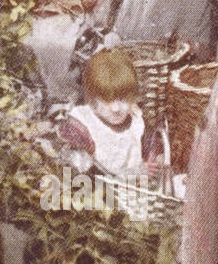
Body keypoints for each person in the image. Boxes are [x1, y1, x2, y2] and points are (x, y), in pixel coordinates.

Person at [59, 48, 160, 179]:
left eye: (123, 99)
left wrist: (153, 163)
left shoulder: (136, 122)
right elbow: (86, 175)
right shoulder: (84, 125)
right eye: (107, 100)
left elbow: (150, 157)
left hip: (135, 193)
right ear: (92, 99)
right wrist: (133, 174)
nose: (116, 108)